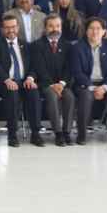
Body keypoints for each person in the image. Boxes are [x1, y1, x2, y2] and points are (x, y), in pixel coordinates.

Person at [0, 14, 44, 147]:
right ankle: (12, 134)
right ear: (2, 29)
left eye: (13, 27)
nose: (11, 30)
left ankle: (35, 133)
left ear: (18, 27)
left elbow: (34, 66)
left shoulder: (26, 45)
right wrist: (6, 80)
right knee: (12, 94)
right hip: (5, 82)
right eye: (7, 28)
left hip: (24, 81)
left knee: (34, 92)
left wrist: (30, 78)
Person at [70, 17, 107, 145]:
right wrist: (93, 88)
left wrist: (104, 87)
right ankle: (82, 135)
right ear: (86, 31)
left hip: (106, 83)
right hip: (85, 84)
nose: (95, 32)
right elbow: (77, 72)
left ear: (104, 31)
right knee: (85, 97)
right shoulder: (77, 48)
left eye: (98, 29)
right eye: (91, 28)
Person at [31, 14, 76, 146]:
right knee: (52, 96)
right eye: (51, 26)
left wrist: (61, 83)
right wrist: (52, 85)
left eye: (57, 26)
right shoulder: (37, 45)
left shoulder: (68, 46)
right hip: (45, 84)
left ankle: (67, 132)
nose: (54, 29)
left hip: (63, 84)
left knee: (69, 96)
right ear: (45, 28)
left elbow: (69, 68)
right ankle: (58, 133)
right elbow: (40, 68)